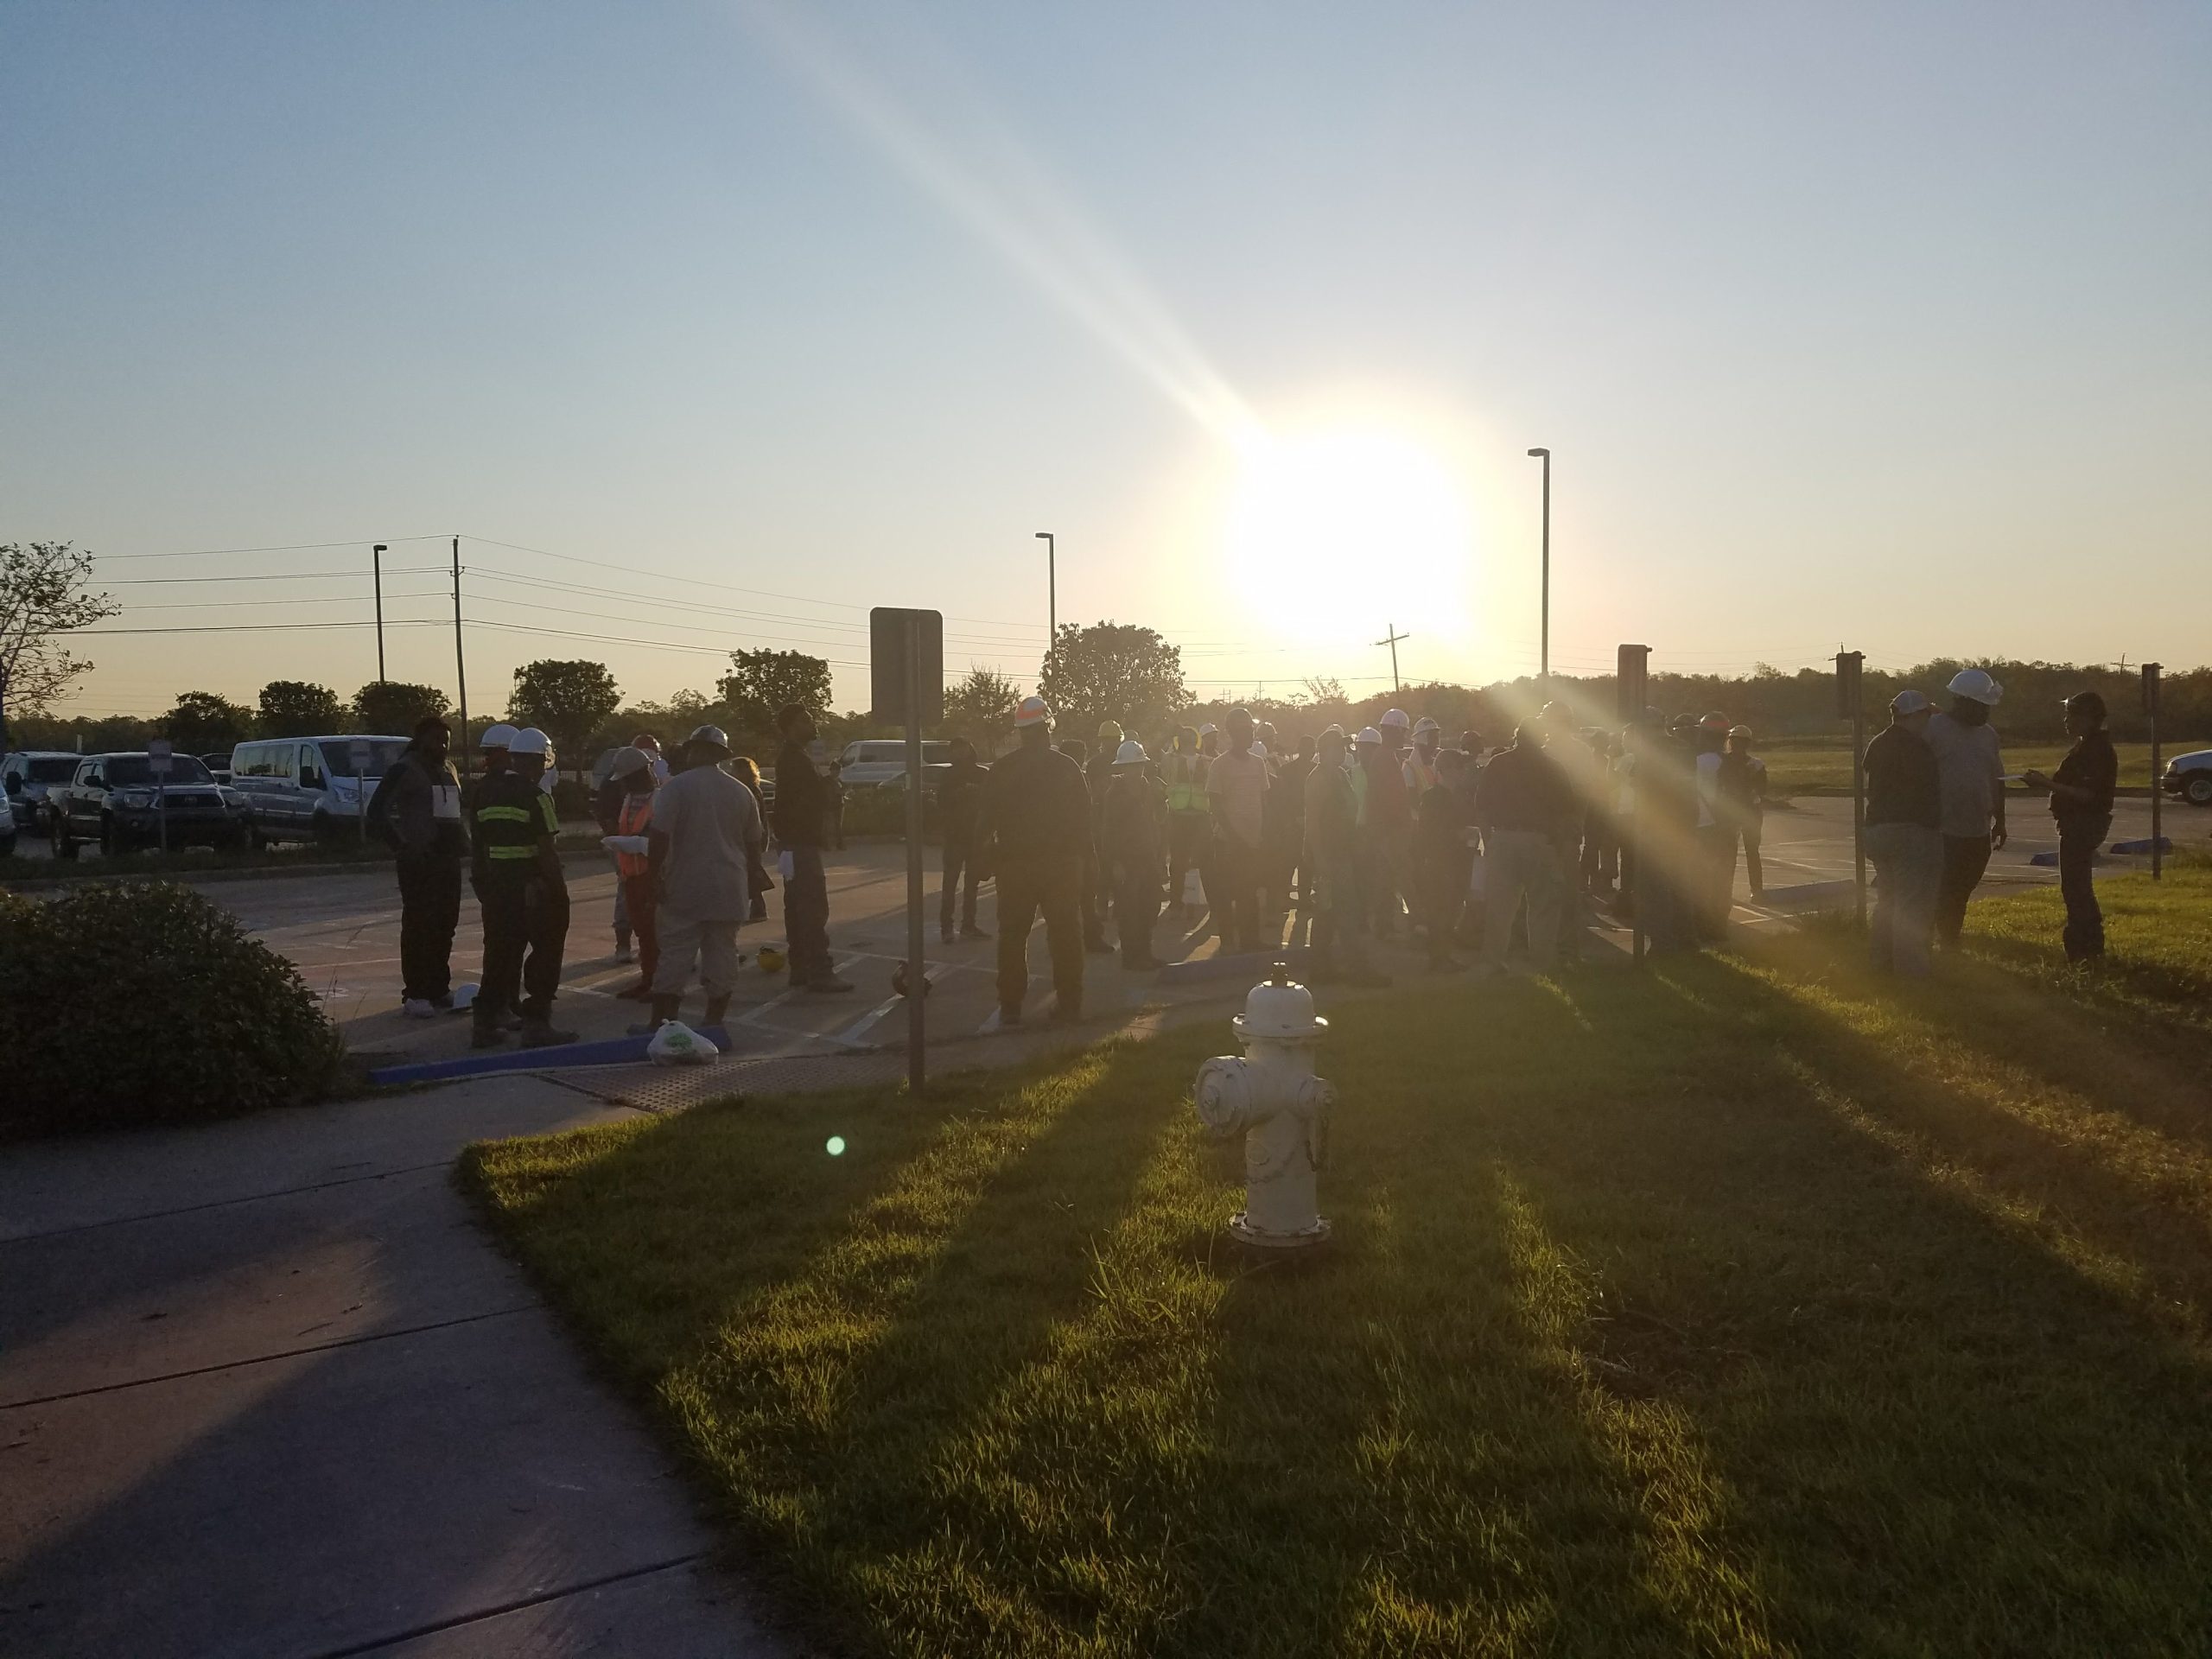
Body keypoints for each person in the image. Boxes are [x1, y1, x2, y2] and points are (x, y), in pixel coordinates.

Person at [638, 725, 762, 1033]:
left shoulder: (677, 788)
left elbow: (659, 836)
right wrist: (751, 881)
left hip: (685, 885)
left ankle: (662, 1024)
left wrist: (653, 878)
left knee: (676, 955)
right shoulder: (741, 791)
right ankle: (714, 1022)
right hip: (730, 886)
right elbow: (755, 843)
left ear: (697, 751)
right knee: (722, 954)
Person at [469, 725, 575, 1048]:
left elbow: (478, 845)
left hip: (497, 887)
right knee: (546, 951)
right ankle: (537, 1023)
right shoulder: (537, 797)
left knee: (501, 953)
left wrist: (484, 885)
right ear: (540, 760)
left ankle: (486, 1023)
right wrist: (559, 893)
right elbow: (546, 851)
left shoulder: (485, 793)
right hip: (533, 888)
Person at [988, 696, 1091, 1023]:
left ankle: (1010, 1007)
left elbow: (984, 821)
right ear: (1048, 726)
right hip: (1061, 866)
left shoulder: (1002, 769)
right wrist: (1091, 865)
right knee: (1065, 936)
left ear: (1021, 731)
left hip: (1015, 867)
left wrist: (983, 861)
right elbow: (1084, 822)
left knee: (1013, 936)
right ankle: (1070, 1004)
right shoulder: (1067, 766)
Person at [370, 715, 467, 1018]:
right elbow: (377, 811)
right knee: (419, 926)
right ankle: (415, 993)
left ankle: (439, 988)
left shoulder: (449, 769)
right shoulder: (405, 768)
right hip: (419, 862)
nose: (443, 746)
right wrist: (402, 847)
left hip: (448, 860)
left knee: (445, 924)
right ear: (421, 738)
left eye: (446, 741)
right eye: (437, 739)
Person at [2024, 691, 2118, 963]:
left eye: (2072, 715)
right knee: (2076, 886)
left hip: (2083, 823)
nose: (2066, 721)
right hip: (2075, 823)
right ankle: (2086, 946)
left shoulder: (2096, 750)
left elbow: (2088, 794)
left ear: (2088, 718)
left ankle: (2085, 948)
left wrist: (2046, 784)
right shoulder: (2087, 745)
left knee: (2076, 887)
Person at [1923, 670, 2008, 949]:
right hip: (1941, 828)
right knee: (1942, 887)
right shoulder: (1933, 729)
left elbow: (1998, 778)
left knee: (1962, 888)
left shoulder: (1988, 735)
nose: (1986, 712)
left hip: (1978, 829)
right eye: (1982, 706)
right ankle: (1942, 939)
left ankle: (1949, 935)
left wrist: (2001, 820)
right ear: (1962, 702)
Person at [772, 705, 854, 993]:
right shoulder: (795, 759)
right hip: (800, 842)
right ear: (792, 726)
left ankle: (801, 967)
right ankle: (819, 970)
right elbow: (806, 800)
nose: (812, 724)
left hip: (793, 842)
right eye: (805, 720)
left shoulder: (794, 757)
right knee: (812, 907)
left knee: (796, 907)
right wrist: (825, 788)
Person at [1864, 689, 1942, 976]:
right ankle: (1912, 974)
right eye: (1926, 715)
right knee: (1913, 906)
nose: (1928, 721)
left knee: (1888, 900)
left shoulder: (1877, 743)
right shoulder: (1916, 748)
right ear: (1917, 716)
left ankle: (1879, 962)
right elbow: (1926, 792)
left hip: (1877, 829)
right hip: (1910, 831)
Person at [1478, 721, 1566, 971]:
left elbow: (1481, 806)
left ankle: (1492, 963)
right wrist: (1557, 846)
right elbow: (1566, 811)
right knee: (1543, 907)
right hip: (1539, 841)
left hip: (1503, 839)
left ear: (1516, 737)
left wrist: (1490, 841)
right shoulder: (1552, 767)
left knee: (1499, 908)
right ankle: (1543, 964)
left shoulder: (1498, 764)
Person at [1302, 727, 1385, 985]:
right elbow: (1312, 824)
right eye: (1338, 747)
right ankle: (1359, 970)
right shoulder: (1317, 779)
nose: (1343, 751)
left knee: (1327, 914)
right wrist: (1320, 860)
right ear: (1325, 750)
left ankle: (1320, 968)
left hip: (1343, 851)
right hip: (1329, 854)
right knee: (1347, 911)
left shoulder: (1340, 775)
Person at [1206, 707, 1271, 954]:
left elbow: (1264, 801)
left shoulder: (1258, 763)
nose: (1250, 735)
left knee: (1250, 893)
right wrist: (1234, 837)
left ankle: (1250, 940)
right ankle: (1228, 941)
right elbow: (1216, 805)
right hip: (1228, 843)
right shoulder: (1219, 765)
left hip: (1253, 842)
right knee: (1227, 894)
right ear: (1232, 733)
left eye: (1251, 730)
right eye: (1244, 730)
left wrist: (1263, 833)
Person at [1099, 739, 1166, 970]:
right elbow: (1108, 832)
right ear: (1122, 768)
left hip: (1147, 856)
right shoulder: (1114, 794)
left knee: (1149, 906)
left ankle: (1145, 954)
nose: (1136, 770)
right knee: (1129, 910)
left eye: (1139, 765)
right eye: (1132, 766)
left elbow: (1152, 821)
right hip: (1126, 860)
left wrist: (1157, 854)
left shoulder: (1147, 788)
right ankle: (1131, 957)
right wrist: (1115, 863)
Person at [1412, 745, 1474, 971]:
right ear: (1446, 769)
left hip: (1459, 860)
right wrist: (1459, 834)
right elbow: (1428, 832)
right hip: (1440, 863)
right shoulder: (1432, 797)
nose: (1462, 771)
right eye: (1458, 767)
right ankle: (1438, 958)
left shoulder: (1459, 795)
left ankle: (1445, 955)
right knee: (1441, 911)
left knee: (1454, 909)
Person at [605, 747, 660, 1000]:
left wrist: (635, 844)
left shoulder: (660, 799)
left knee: (655, 932)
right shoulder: (629, 799)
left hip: (653, 876)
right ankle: (649, 979)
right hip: (632, 877)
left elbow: (661, 842)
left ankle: (659, 983)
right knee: (643, 932)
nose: (623, 785)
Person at [938, 736, 990, 943]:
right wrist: (960, 793)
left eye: (963, 748)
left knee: (972, 884)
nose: (960, 753)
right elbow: (941, 803)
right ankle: (946, 927)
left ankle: (968, 924)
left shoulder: (981, 774)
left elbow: (990, 803)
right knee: (950, 883)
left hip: (975, 835)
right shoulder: (948, 776)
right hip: (954, 836)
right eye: (956, 749)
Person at [1692, 712, 1738, 938]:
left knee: (1699, 876)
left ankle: (1700, 922)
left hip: (1698, 825)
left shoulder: (1692, 761)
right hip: (1725, 827)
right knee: (1723, 877)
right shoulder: (1729, 763)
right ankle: (1718, 925)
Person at [1164, 726, 1211, 917]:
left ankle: (1206, 901)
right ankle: (1176, 903)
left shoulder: (1207, 761)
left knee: (1204, 861)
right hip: (1180, 815)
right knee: (1178, 862)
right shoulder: (1171, 760)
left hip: (1199, 815)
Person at [1270, 734, 1316, 911]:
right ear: (1300, 749)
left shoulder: (1316, 770)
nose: (1309, 753)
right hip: (1290, 824)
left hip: (1309, 823)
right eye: (1306, 749)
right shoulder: (1286, 771)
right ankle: (1282, 897)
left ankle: (1304, 898)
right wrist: (1289, 821)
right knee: (1288, 862)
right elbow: (1280, 800)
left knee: (1306, 864)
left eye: (1312, 749)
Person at [729, 754, 775, 922]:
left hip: (751, 837)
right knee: (750, 871)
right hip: (753, 836)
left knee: (751, 871)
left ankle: (758, 907)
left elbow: (755, 818)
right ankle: (755, 906)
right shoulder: (750, 789)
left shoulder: (748, 791)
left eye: (734, 769)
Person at [1725, 726, 1768, 899]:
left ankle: (1756, 889)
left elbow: (1761, 789)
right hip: (1733, 810)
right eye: (1734, 741)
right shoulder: (1724, 762)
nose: (1736, 745)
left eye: (1740, 742)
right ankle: (1729, 889)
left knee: (1750, 851)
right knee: (1731, 851)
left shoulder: (1755, 764)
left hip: (1747, 810)